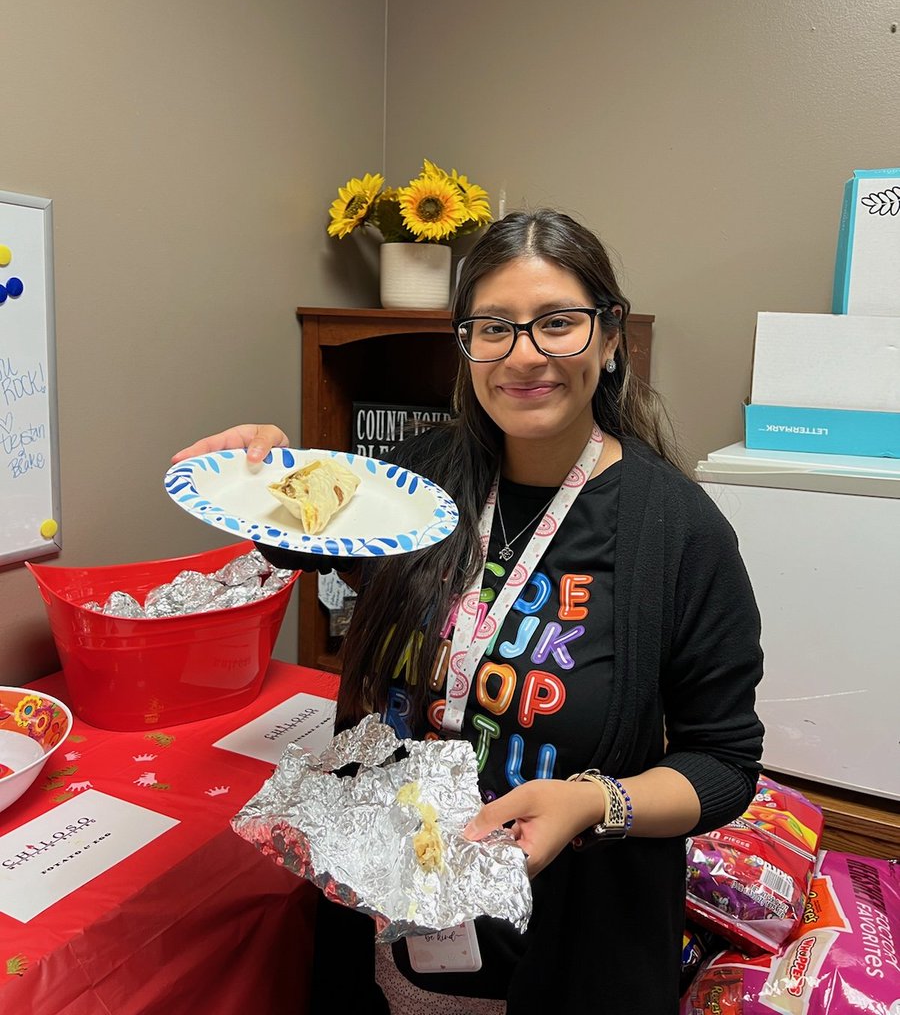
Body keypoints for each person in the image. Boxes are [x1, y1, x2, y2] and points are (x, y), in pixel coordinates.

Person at [174, 209, 764, 1015]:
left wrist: (593, 802)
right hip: (387, 916)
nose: (525, 356)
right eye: (494, 328)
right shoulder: (420, 478)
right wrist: (269, 474)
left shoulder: (680, 532)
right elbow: (306, 539)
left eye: (558, 323)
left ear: (611, 335)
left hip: (567, 938)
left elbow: (725, 764)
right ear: (466, 345)